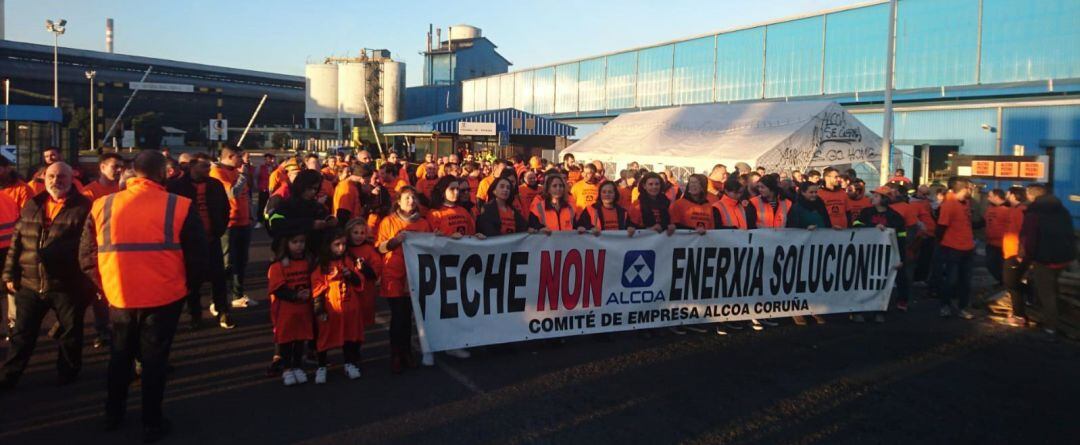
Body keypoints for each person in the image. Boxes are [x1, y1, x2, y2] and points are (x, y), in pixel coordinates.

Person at [79, 151, 207, 442]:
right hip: (164, 295)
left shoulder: (102, 205)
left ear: (133, 173)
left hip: (119, 294)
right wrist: (187, 287)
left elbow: (86, 255)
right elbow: (198, 255)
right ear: (163, 173)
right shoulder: (179, 205)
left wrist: (103, 285)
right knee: (154, 361)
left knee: (119, 356)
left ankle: (113, 414)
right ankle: (151, 421)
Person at [0, 163, 94, 390]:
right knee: (22, 334)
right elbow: (17, 241)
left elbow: (90, 246)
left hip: (67, 284)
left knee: (71, 333)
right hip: (30, 283)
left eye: (61, 176)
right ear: (44, 178)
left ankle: (68, 372)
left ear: (72, 179)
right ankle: (9, 376)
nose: (56, 180)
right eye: (51, 176)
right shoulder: (33, 204)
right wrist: (9, 273)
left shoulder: (85, 207)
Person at [167, 153, 234, 330]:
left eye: (209, 167)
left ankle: (223, 310)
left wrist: (219, 229)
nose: (208, 170)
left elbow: (225, 209)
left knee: (218, 278)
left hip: (212, 239)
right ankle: (195, 315)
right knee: (192, 281)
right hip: (189, 242)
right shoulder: (176, 186)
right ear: (192, 166)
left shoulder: (215, 185)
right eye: (204, 166)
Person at [376, 187, 433, 374]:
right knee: (398, 316)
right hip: (394, 274)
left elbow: (430, 246)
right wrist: (395, 241)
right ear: (398, 201)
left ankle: (407, 352)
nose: (411, 201)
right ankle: (396, 354)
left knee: (408, 316)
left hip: (414, 275)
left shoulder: (423, 223)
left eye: (413, 198)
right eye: (407, 198)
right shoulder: (388, 221)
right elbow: (380, 248)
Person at [311, 228, 375, 384]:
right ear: (328, 246)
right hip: (331, 306)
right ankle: (321, 366)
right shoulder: (322, 264)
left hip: (350, 305)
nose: (341, 248)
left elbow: (359, 281)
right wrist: (319, 308)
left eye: (343, 244)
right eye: (337, 245)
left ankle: (349, 363)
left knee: (350, 336)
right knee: (325, 337)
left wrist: (351, 275)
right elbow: (317, 287)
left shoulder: (348, 260)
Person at [1020, 184, 1077, 337]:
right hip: (1063, 257)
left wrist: (1027, 259)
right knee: (1054, 288)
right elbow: (1070, 233)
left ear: (1032, 195)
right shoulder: (1062, 209)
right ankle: (1058, 315)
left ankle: (1050, 327)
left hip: (1044, 259)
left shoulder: (1034, 213)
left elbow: (1029, 239)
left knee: (1046, 293)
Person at [853, 187, 908, 323]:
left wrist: (900, 258)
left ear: (884, 199)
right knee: (863, 282)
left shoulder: (895, 217)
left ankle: (879, 311)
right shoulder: (866, 212)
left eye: (876, 196)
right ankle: (858, 310)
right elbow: (855, 224)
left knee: (882, 283)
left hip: (885, 256)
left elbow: (901, 239)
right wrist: (872, 228)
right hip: (866, 253)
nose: (872, 198)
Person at [267, 232, 314, 386]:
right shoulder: (278, 265)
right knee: (286, 340)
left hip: (303, 308)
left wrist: (310, 293)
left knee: (300, 338)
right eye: (295, 242)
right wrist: (295, 295)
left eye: (302, 241)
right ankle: (287, 368)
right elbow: (277, 289)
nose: (299, 245)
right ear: (286, 244)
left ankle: (298, 366)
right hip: (286, 309)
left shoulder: (308, 262)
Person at [211, 146, 256, 308]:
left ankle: (238, 295)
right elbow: (232, 193)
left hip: (244, 222)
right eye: (239, 157)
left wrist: (251, 215)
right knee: (226, 264)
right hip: (229, 223)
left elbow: (247, 195)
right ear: (230, 156)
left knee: (241, 261)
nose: (242, 160)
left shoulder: (237, 171)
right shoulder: (217, 172)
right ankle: (217, 300)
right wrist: (243, 175)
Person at [933, 177, 976, 319]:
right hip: (952, 248)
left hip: (967, 247)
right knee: (951, 280)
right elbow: (941, 227)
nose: (972, 190)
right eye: (969, 187)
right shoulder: (949, 204)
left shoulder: (966, 202)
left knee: (966, 281)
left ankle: (962, 307)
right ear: (963, 188)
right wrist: (941, 245)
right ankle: (945, 305)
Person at [345, 218, 382, 329]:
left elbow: (376, 271)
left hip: (366, 291)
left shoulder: (369, 250)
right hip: (348, 292)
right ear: (349, 233)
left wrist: (364, 269)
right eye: (355, 232)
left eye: (362, 233)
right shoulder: (344, 248)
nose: (359, 236)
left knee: (361, 324)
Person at [1001, 186, 1028, 327]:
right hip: (1011, 253)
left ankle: (1020, 316)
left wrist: (1020, 255)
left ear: (1013, 195)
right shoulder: (1015, 210)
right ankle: (1021, 310)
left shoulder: (1021, 212)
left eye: (1007, 193)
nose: (1006, 195)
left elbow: (1025, 234)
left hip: (1015, 254)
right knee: (1013, 283)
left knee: (1011, 284)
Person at [983, 189, 1010, 285]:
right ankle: (1002, 281)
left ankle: (1005, 284)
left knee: (1002, 266)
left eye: (990, 196)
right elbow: (984, 221)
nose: (988, 198)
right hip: (991, 243)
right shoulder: (990, 208)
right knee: (990, 264)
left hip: (1003, 244)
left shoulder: (1008, 209)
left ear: (997, 197)